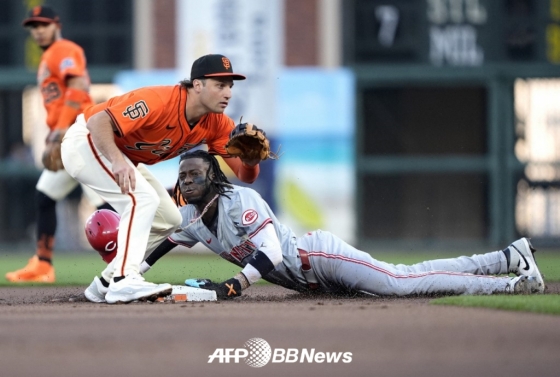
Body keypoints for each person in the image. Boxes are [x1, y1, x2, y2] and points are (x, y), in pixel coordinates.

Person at [84, 151, 545, 302]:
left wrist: (232, 287)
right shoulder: (190, 217)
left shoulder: (239, 200)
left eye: (194, 174)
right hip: (310, 283)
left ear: (213, 176)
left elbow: (272, 254)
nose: (186, 181)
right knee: (408, 275)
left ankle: (510, 282)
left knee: (401, 282)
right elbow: (163, 243)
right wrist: (128, 274)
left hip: (315, 257)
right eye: (182, 176)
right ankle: (507, 256)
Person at [61, 54, 265, 304]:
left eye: (230, 86)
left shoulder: (216, 123)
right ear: (197, 85)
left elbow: (246, 175)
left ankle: (105, 283)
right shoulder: (159, 101)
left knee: (169, 218)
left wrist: (252, 162)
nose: (228, 93)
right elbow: (98, 121)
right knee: (142, 199)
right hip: (86, 142)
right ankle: (124, 280)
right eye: (220, 85)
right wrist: (117, 161)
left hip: (119, 154)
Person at [6, 5, 111, 284]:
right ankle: (43, 264)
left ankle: (124, 262)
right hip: (67, 137)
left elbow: (78, 87)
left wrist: (62, 128)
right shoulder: (47, 58)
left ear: (56, 24)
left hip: (81, 134)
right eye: (33, 26)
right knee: (45, 197)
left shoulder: (63, 49)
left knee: (103, 202)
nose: (38, 30)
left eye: (43, 24)